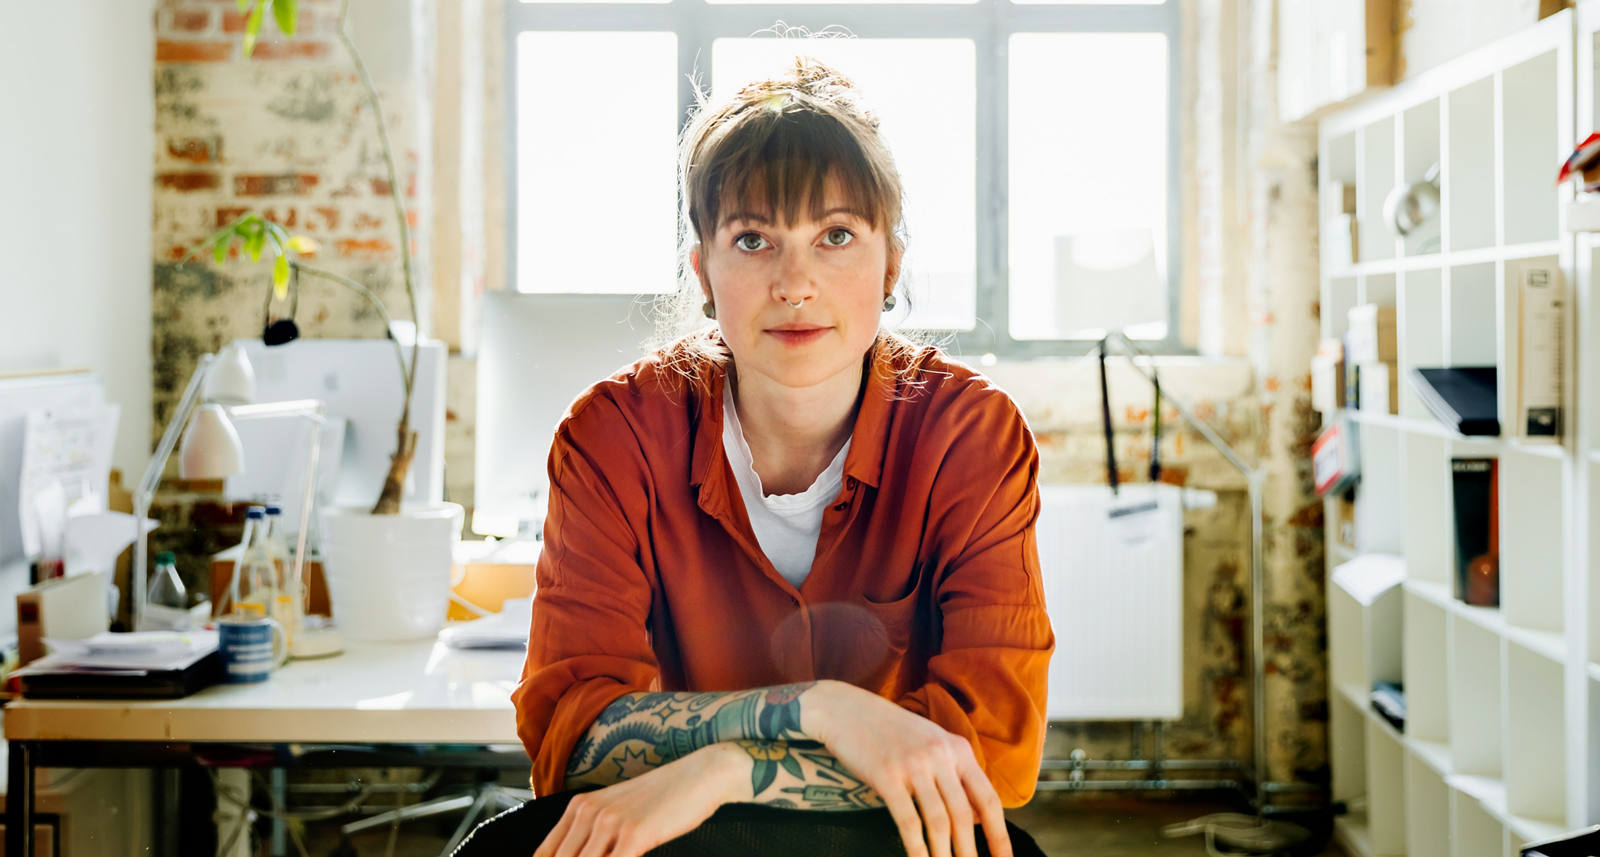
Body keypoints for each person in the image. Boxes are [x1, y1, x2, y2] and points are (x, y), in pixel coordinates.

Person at [459, 56, 1054, 857]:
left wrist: (734, 767)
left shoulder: (969, 434)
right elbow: (571, 737)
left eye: (836, 235)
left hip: (880, 835)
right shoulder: (612, 434)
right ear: (704, 272)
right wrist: (819, 708)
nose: (795, 281)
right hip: (674, 834)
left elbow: (992, 751)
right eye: (753, 240)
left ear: (891, 266)